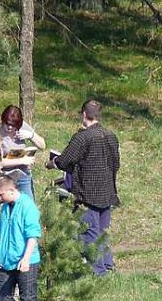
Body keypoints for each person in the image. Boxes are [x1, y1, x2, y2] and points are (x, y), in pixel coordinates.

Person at [45, 99, 120, 276]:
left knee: (89, 234)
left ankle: (98, 272)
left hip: (87, 193)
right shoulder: (111, 136)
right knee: (101, 231)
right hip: (107, 191)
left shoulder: (82, 137)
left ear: (84, 114)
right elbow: (116, 164)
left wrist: (52, 163)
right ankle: (108, 265)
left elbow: (64, 160)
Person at [0, 175, 42, 301]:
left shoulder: (28, 206)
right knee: (2, 295)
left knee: (27, 300)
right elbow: (2, 234)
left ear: (12, 190)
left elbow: (33, 235)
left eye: (0, 194)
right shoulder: (5, 207)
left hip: (26, 260)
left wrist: (26, 258)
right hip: (6, 261)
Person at [0, 105, 46, 199]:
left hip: (23, 174)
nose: (10, 128)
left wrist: (31, 135)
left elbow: (43, 146)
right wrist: (22, 160)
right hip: (6, 176)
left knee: (28, 207)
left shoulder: (22, 126)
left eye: (13, 125)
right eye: (7, 124)